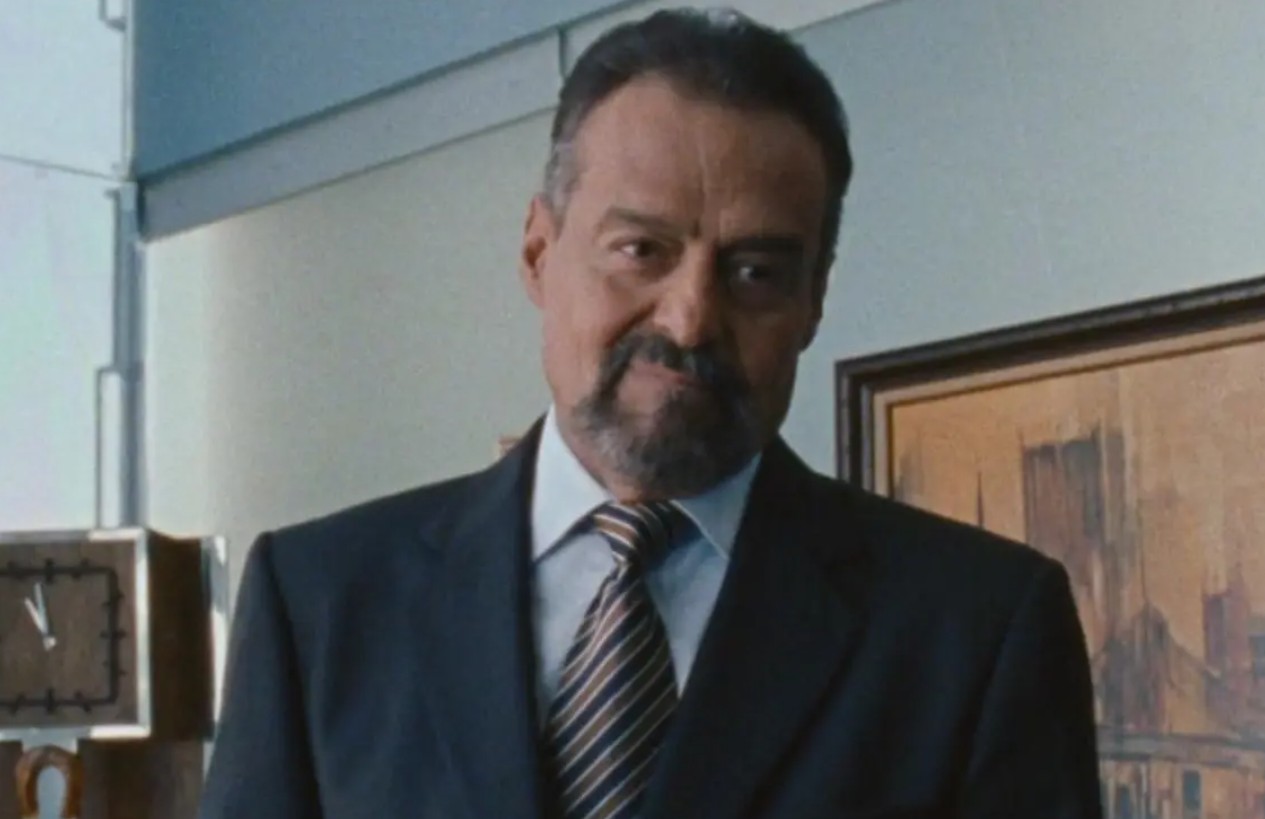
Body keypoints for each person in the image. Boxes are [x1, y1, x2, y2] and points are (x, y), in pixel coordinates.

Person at [199, 8, 1103, 819]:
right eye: (641, 249)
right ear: (538, 251)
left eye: (754, 271)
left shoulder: (973, 628)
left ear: (814, 298)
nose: (690, 319)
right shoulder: (321, 604)